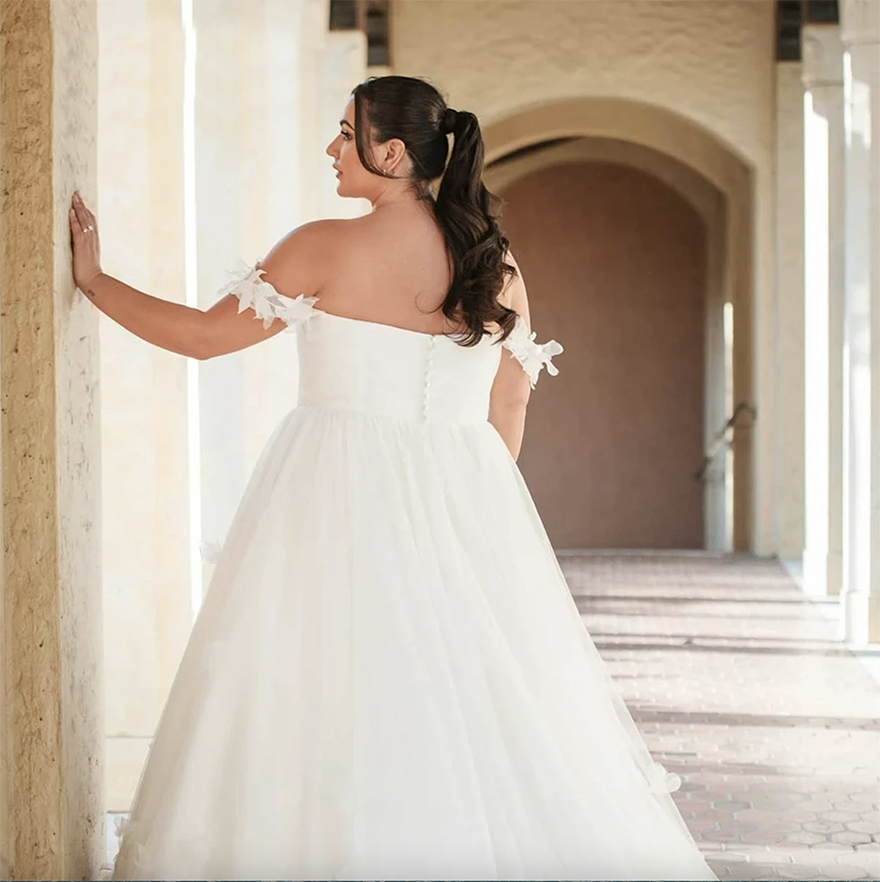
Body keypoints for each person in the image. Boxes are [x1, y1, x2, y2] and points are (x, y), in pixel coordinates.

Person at [71, 75, 717, 882]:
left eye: (346, 133)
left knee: (320, 680)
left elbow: (205, 339)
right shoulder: (495, 262)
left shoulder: (322, 247)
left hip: (328, 493)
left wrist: (94, 282)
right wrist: (471, 501)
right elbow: (511, 394)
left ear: (392, 151)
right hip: (462, 495)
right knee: (466, 694)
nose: (333, 149)